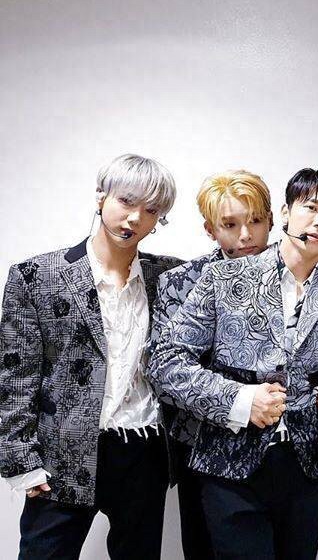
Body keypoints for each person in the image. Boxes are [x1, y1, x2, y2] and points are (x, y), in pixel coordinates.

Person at [150, 167, 318, 560]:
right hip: (228, 467)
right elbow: (165, 362)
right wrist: (241, 400)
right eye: (311, 208)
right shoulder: (222, 278)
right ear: (284, 213)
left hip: (305, 469)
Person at [0, 154, 182, 559]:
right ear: (101, 197)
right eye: (126, 201)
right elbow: (15, 374)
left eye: (151, 210)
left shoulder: (170, 278)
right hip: (62, 454)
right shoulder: (37, 276)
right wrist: (19, 460)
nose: (134, 218)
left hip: (144, 449)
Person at [150, 169, 273, 559]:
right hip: (203, 448)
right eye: (230, 225)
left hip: (287, 454)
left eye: (255, 221)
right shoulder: (180, 282)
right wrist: (239, 400)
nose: (246, 236)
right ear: (210, 229)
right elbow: (167, 371)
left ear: (272, 219)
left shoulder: (303, 274)